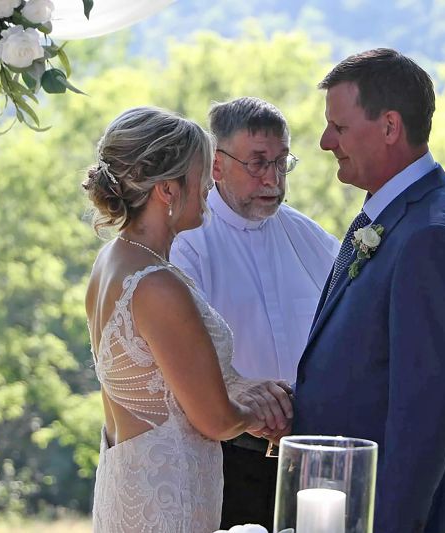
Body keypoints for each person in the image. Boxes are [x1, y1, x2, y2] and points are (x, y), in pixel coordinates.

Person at [293, 49, 445, 532]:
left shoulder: (433, 237)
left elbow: (425, 419)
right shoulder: (401, 216)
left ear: (389, 127)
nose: (325, 142)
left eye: (339, 128)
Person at [83, 106, 293, 532]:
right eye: (200, 176)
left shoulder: (113, 260)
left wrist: (246, 389)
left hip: (132, 482)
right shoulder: (157, 284)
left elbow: (159, 381)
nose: (207, 189)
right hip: (167, 498)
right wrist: (264, 418)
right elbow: (214, 419)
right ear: (167, 190)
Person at [170, 97, 339, 529]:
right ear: (217, 165)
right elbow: (178, 357)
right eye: (259, 163)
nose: (274, 180)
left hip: (309, 461)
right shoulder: (188, 245)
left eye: (282, 163)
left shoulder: (311, 239)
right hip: (228, 461)